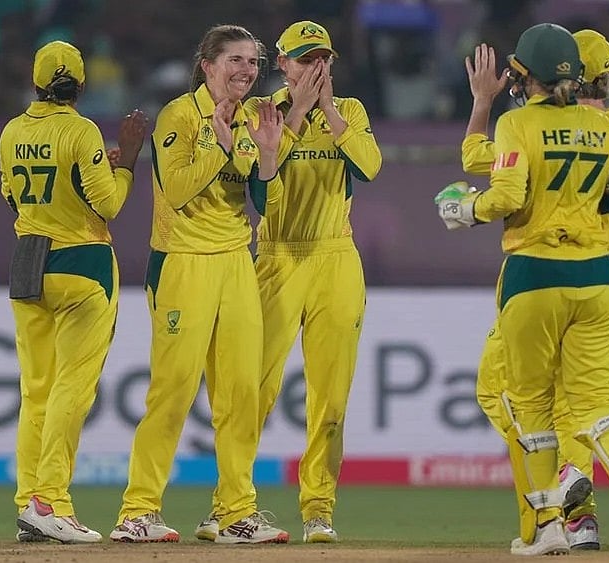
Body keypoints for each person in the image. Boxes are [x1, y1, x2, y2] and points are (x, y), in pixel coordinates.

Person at [435, 23, 609, 555]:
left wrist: (463, 209)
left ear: (528, 74)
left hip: (536, 273)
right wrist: (582, 207)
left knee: (528, 404)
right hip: (600, 278)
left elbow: (496, 184)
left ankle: (551, 520)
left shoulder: (518, 123)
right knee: (593, 403)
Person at [110, 24, 289, 544]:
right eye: (235, 60)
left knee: (240, 394)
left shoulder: (255, 117)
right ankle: (138, 511)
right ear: (207, 66)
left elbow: (266, 204)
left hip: (236, 263)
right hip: (182, 262)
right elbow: (179, 189)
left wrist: (268, 157)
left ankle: (236, 514)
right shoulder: (180, 116)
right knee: (173, 391)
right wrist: (220, 145)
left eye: (253, 62)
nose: (246, 71)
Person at [234, 20, 381, 544]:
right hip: (278, 257)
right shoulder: (260, 112)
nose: (316, 67)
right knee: (254, 387)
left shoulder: (351, 112)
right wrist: (296, 113)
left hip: (336, 258)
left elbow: (370, 167)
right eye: (305, 59)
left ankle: (318, 509)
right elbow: (259, 190)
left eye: (323, 58)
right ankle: (233, 503)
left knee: (331, 398)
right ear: (283, 64)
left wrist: (330, 111)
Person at [2, 40, 147, 544]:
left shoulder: (12, 131)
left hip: (29, 260)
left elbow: (12, 196)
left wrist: (90, 173)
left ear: (36, 82)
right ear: (81, 86)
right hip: (82, 263)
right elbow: (109, 205)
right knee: (71, 388)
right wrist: (127, 162)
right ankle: (51, 502)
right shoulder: (81, 130)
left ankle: (29, 503)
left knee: (35, 391)